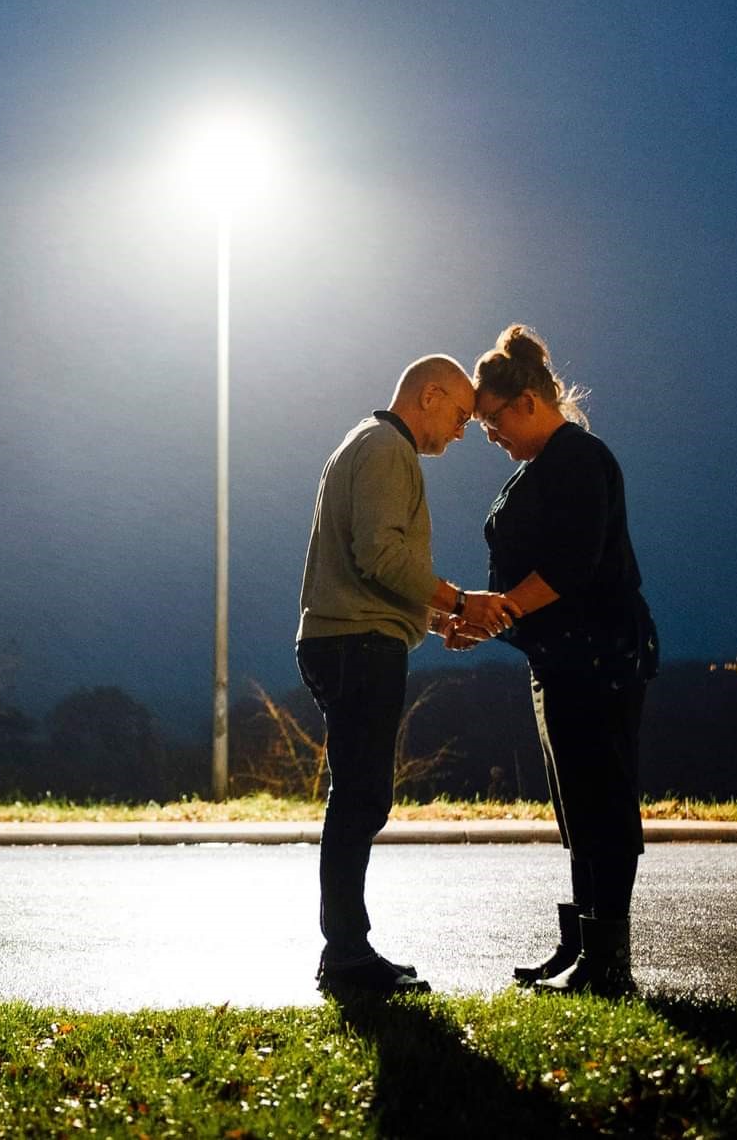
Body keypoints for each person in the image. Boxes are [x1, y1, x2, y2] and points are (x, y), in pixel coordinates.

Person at [448, 324, 658, 998]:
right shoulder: (540, 465)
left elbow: (570, 566)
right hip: (559, 658)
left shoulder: (580, 458)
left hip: (600, 655)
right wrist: (482, 621)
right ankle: (581, 947)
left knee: (603, 802)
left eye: (493, 420)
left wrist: (499, 609)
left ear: (529, 401)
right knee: (577, 807)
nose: (489, 435)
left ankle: (609, 963)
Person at [295, 354, 515, 995]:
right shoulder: (388, 450)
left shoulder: (364, 442)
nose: (463, 431)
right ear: (430, 395)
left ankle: (346, 952)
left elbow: (368, 563)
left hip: (346, 639)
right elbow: (381, 554)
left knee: (357, 798)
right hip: (359, 645)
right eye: (461, 415)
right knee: (360, 800)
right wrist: (460, 602)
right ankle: (346, 958)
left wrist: (431, 616)